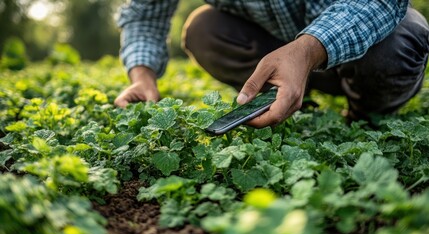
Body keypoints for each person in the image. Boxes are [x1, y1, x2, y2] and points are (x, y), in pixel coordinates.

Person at [114, 0, 429, 128]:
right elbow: (145, 12)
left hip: (359, 42)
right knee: (203, 28)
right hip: (274, 47)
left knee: (402, 42)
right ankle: (286, 101)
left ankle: (361, 120)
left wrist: (307, 49)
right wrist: (142, 74)